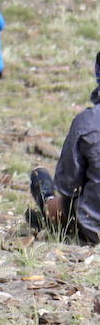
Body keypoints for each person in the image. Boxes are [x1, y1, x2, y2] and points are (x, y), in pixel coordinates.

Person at [27, 53, 100, 245]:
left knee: (50, 194)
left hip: (94, 226)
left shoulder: (87, 123)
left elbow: (68, 186)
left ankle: (47, 206)